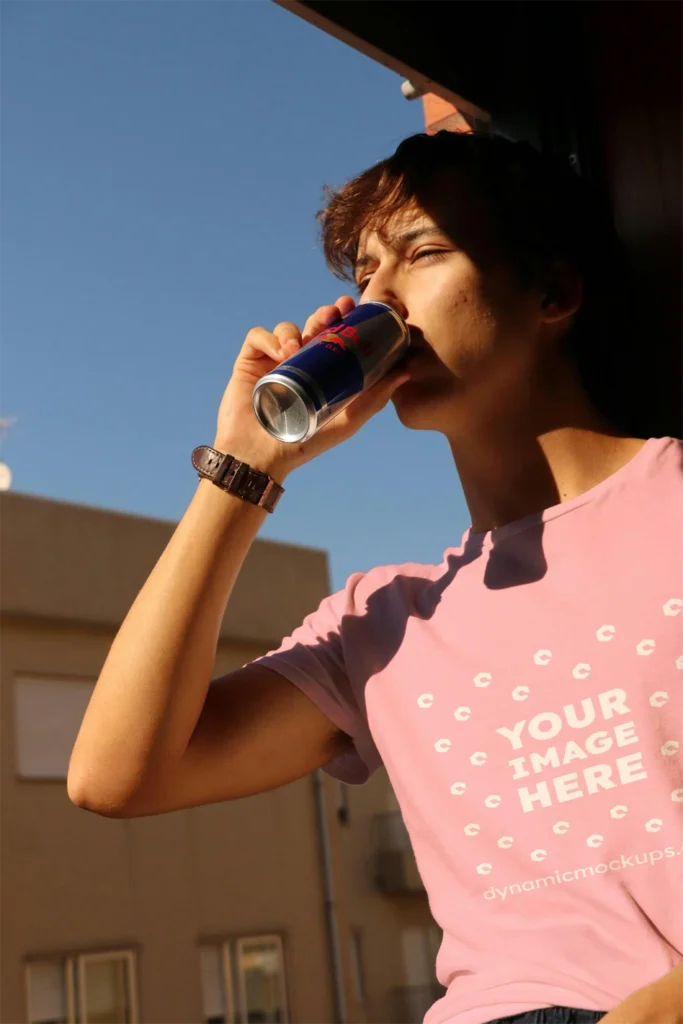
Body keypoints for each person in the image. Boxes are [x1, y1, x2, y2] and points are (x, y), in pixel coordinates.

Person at [67, 131, 683, 1024]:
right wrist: (248, 468)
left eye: (422, 253)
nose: (375, 299)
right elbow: (116, 777)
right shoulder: (383, 620)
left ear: (552, 292)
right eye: (362, 273)